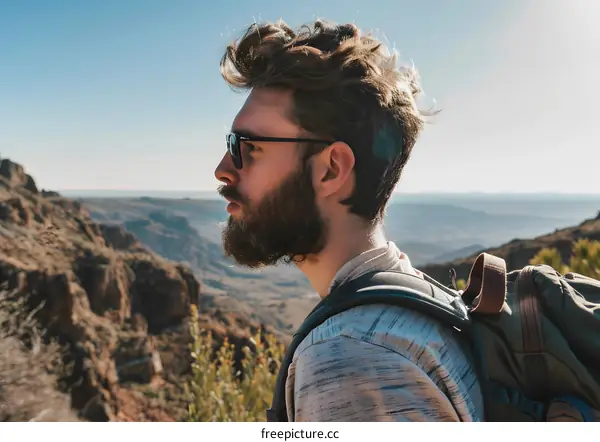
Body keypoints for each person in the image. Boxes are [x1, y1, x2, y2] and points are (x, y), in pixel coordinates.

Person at [213, 19, 484, 422]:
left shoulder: (350, 357)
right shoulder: (419, 305)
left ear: (331, 169)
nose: (222, 169)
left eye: (248, 148)